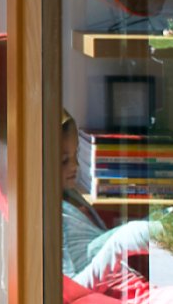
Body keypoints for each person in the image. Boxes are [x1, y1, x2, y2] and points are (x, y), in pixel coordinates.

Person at [61, 111, 154, 289]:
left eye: (76, 155)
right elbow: (70, 290)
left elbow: (96, 244)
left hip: (121, 277)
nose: (75, 166)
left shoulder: (69, 193)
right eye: (64, 160)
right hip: (112, 290)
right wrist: (120, 243)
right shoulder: (51, 213)